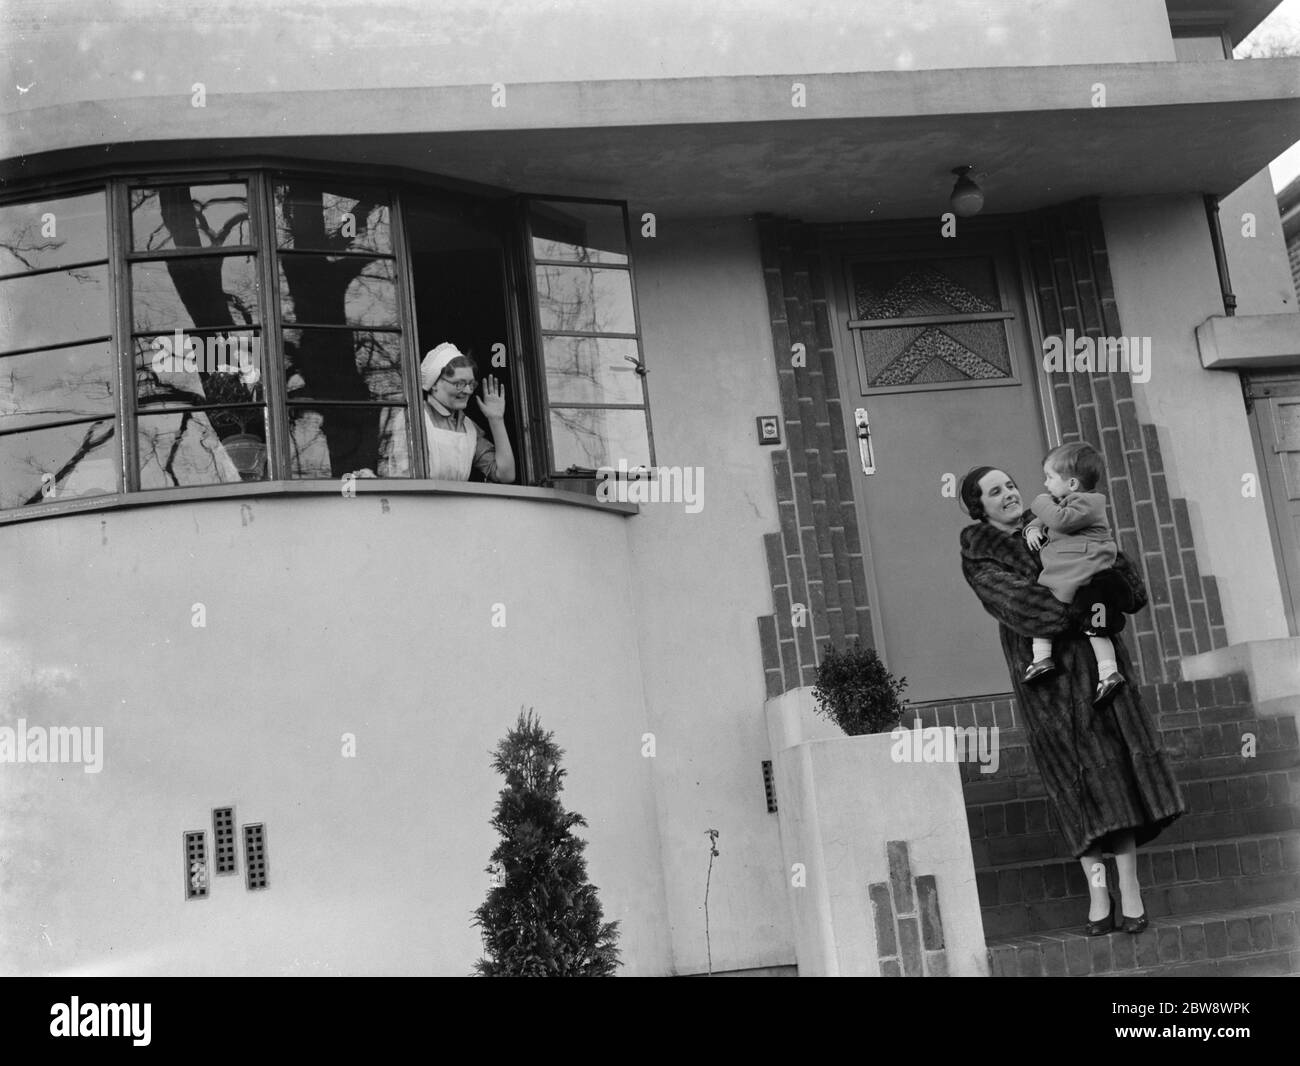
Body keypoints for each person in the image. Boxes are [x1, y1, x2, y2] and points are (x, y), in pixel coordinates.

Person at [958, 465, 1185, 936]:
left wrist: (1092, 563)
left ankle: (1131, 890)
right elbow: (1023, 606)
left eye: (1011, 485)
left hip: (1101, 673)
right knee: (1073, 789)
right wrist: (1082, 586)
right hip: (1047, 683)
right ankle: (1098, 893)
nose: (1008, 494)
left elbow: (1128, 588)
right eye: (994, 492)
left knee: (1115, 777)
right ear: (979, 507)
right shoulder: (980, 553)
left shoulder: (1060, 520)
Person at [1021, 442, 1121, 705]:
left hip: (1082, 571)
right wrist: (1032, 528)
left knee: (1088, 625)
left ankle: (1105, 671)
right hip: (1072, 572)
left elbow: (1060, 519)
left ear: (1073, 484)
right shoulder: (1070, 502)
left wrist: (1038, 503)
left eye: (1050, 478)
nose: (1046, 484)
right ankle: (1046, 659)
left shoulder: (1089, 504)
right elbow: (1053, 516)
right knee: (1087, 625)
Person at [419, 342, 515, 483]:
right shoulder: (415, 419)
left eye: (471, 384)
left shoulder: (468, 428)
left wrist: (496, 420)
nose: (468, 390)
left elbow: (505, 475)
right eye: (459, 384)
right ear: (434, 384)